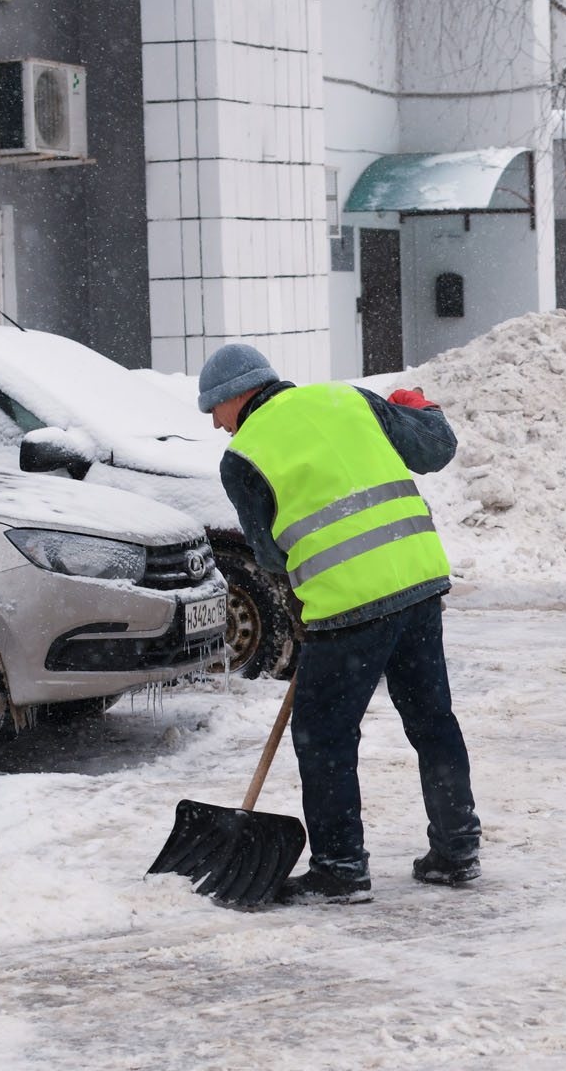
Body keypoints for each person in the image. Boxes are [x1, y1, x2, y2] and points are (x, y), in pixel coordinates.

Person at [199, 343, 482, 904]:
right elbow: (436, 447)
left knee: (325, 738)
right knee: (431, 720)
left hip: (348, 606)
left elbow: (270, 554)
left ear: (237, 397)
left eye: (215, 409)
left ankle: (340, 869)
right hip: (418, 581)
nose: (215, 423)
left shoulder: (243, 458)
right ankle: (457, 850)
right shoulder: (348, 399)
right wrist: (420, 406)